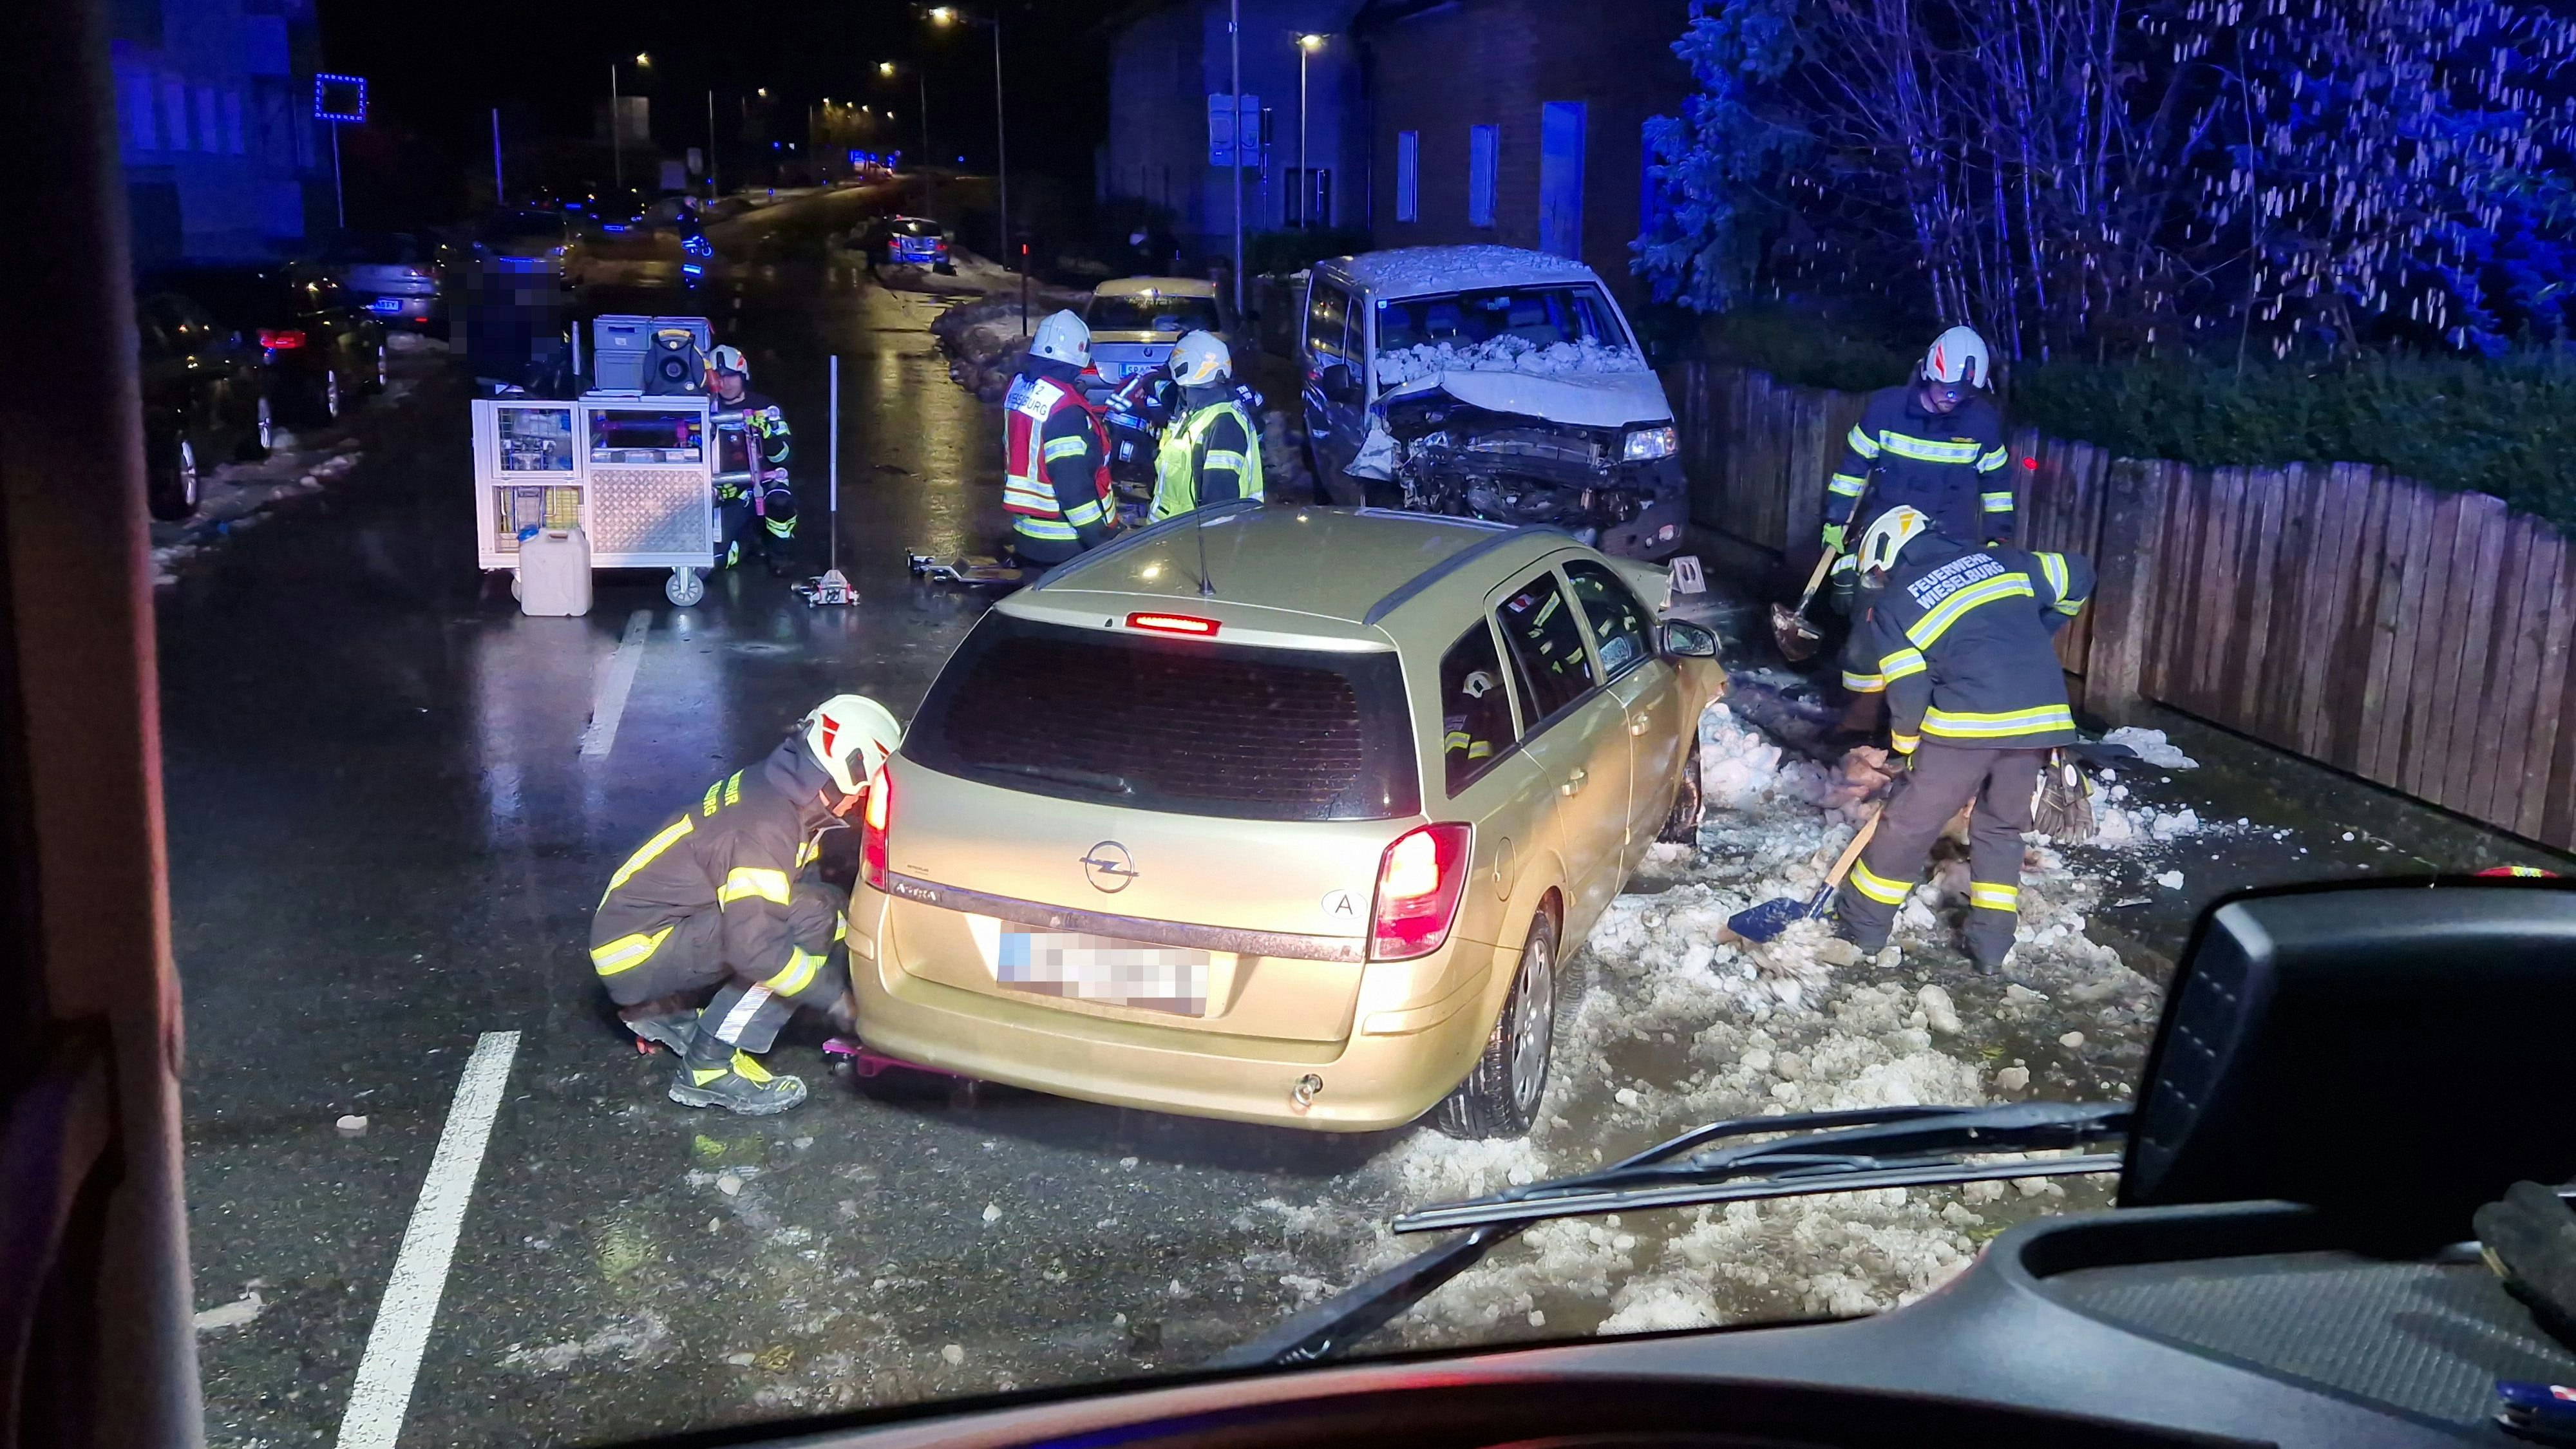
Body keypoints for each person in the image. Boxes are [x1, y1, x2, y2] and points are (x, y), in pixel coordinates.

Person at [589, 695, 903, 1114]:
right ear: (851, 769)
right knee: (800, 924)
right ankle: (709, 1068)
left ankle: (660, 1010)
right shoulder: (767, 825)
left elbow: (803, 887)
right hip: (635, 952)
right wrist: (837, 1002)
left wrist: (859, 970)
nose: (861, 804)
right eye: (866, 791)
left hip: (640, 935)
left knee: (822, 907)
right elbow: (756, 950)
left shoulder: (780, 794)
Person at [1831, 506, 2094, 976]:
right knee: (2000, 828)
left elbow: (1908, 694)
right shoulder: (2008, 562)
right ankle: (1991, 946)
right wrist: (2042, 626)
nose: (1878, 578)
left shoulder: (1894, 604)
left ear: (1888, 552)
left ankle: (1862, 928)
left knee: (1909, 825)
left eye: (1876, 569)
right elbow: (2081, 573)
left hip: (1967, 726)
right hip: (2041, 720)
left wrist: (1907, 748)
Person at [1824, 325, 2014, 737]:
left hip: (1949, 543)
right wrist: (1835, 525)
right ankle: (1861, 717)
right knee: (1871, 626)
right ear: (1930, 372)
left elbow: (1997, 486)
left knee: (1933, 636)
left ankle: (1918, 723)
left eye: (1961, 393)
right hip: (1884, 542)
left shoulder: (1982, 422)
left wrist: (2000, 538)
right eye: (1947, 388)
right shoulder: (1885, 410)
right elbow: (1851, 471)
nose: (1952, 399)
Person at [1001, 310, 1117, 566]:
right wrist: (1102, 542)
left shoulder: (1021, 387)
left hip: (1027, 535)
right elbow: (1073, 488)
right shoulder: (1066, 411)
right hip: (1067, 545)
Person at [706, 345, 800, 576]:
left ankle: (780, 554)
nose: (725, 383)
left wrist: (768, 434)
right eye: (719, 378)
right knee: (714, 561)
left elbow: (784, 458)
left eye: (730, 377)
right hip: (723, 489)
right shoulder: (704, 409)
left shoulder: (765, 408)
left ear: (743, 376)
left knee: (781, 500)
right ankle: (747, 542)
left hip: (762, 484)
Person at [1150, 330, 1264, 522]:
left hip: (1193, 542)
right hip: (1174, 538)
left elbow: (1219, 508)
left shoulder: (1224, 422)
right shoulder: (1197, 411)